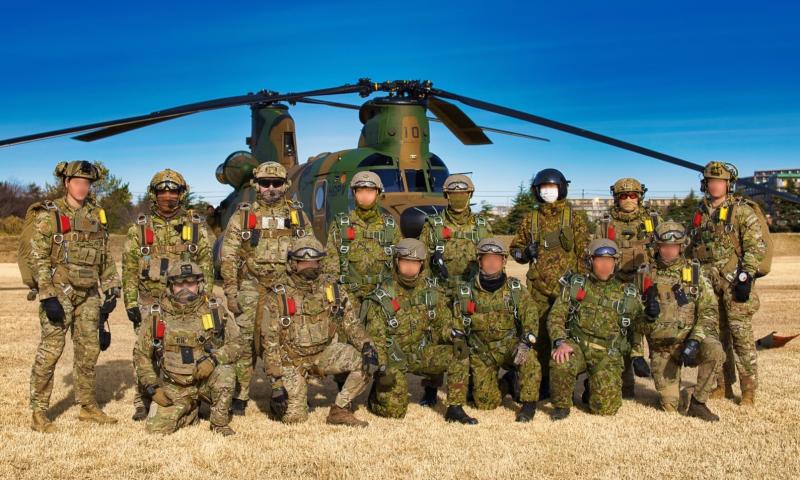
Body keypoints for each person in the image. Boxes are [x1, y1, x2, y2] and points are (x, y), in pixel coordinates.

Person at [29, 161, 120, 433]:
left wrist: (112, 288)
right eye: (77, 182)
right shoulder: (50, 214)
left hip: (89, 295)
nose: (82, 187)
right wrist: (47, 295)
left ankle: (87, 406)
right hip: (60, 292)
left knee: (88, 351)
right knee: (51, 351)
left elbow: (104, 256)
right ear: (67, 183)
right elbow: (38, 257)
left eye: (86, 183)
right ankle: (39, 411)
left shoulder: (96, 214)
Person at [220, 161, 313, 415]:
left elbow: (309, 253)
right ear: (256, 185)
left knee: (288, 342)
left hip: (286, 289)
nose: (270, 188)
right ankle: (240, 395)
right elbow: (228, 255)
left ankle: (284, 389)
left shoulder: (297, 216)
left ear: (285, 185)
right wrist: (230, 291)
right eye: (264, 183)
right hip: (251, 287)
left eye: (276, 183)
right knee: (244, 343)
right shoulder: (244, 216)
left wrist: (306, 291)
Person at [122, 169, 213, 421]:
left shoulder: (195, 227)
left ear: (181, 195)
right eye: (163, 191)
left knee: (192, 348)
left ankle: (196, 397)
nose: (168, 196)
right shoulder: (139, 229)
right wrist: (130, 301)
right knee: (147, 351)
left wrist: (204, 300)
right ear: (154, 194)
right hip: (149, 301)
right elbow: (129, 267)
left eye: (173, 191)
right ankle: (143, 400)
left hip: (187, 305)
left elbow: (206, 266)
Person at [259, 237, 375, 426]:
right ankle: (283, 400)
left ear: (321, 262)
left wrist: (367, 345)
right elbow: (269, 343)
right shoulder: (279, 295)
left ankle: (339, 410)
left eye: (314, 262)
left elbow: (352, 324)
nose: (309, 266)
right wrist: (277, 385)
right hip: (291, 361)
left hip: (323, 355)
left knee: (364, 361)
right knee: (295, 418)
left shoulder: (333, 290)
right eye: (303, 262)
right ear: (292, 263)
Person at [363, 239, 477, 424]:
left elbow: (442, 324)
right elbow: (377, 340)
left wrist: (453, 334)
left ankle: (455, 407)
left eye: (414, 263)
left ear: (422, 265)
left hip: (420, 353)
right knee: (395, 411)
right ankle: (375, 398)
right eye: (405, 262)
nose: (410, 268)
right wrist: (382, 369)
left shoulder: (431, 291)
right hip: (393, 359)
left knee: (458, 353)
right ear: (396, 262)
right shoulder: (382, 295)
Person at [688, 161, 767, 406]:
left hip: (734, 283)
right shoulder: (701, 212)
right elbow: (693, 249)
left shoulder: (742, 211)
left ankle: (749, 390)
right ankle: (722, 385)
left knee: (741, 337)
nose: (715, 185)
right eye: (711, 181)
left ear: (728, 184)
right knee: (715, 337)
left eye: (720, 182)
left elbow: (756, 247)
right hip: (708, 285)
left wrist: (747, 276)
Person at [134, 261, 241, 435]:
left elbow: (237, 344)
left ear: (199, 285)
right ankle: (190, 410)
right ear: (170, 286)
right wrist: (152, 387)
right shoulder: (156, 315)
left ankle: (219, 423)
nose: (185, 288)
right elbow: (141, 355)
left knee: (226, 372)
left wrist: (214, 360)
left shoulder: (214, 310)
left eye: (190, 283)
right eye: (179, 284)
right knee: (156, 429)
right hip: (174, 383)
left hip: (205, 381)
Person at [510, 168, 590, 397]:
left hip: (568, 290)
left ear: (562, 189)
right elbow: (514, 251)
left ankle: (570, 382)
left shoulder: (574, 218)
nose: (548, 192)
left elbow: (585, 253)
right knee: (541, 337)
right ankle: (543, 382)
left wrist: (582, 286)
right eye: (544, 188)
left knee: (572, 333)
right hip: (539, 290)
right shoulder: (530, 219)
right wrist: (525, 253)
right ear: (537, 191)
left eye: (552, 187)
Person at [637, 221, 724, 421]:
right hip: (663, 348)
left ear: (681, 246)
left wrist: (695, 340)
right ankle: (681, 392)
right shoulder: (645, 275)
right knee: (670, 406)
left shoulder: (694, 273)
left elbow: (709, 311)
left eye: (674, 246)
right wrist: (647, 316)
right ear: (657, 246)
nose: (669, 251)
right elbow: (633, 319)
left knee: (716, 351)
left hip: (689, 342)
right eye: (664, 246)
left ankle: (698, 402)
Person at [548, 239, 642, 419]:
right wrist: (560, 341)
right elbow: (556, 316)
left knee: (605, 410)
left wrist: (651, 316)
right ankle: (562, 405)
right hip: (578, 346)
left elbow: (640, 325)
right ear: (590, 261)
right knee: (561, 360)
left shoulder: (628, 292)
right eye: (600, 260)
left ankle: (592, 388)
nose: (605, 265)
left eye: (610, 260)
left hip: (607, 354)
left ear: (616, 262)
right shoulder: (576, 286)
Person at [454, 238, 541, 422]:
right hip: (482, 352)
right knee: (486, 403)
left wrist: (526, 341)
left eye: (497, 258)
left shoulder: (516, 290)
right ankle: (507, 383)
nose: (492, 263)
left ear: (503, 262)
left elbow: (531, 317)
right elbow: (457, 323)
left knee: (530, 358)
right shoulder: (465, 293)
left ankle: (528, 404)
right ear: (479, 261)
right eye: (487, 258)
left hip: (510, 347)